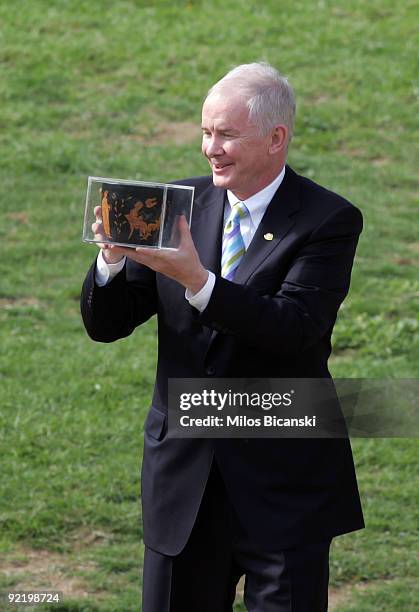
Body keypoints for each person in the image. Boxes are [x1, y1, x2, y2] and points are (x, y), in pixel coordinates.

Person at [81, 62, 364, 612]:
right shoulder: (175, 206)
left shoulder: (328, 220)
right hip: (183, 487)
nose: (212, 147)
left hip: (284, 491)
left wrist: (198, 280)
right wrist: (110, 263)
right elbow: (107, 326)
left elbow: (294, 328)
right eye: (207, 131)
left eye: (228, 134)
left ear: (276, 139)